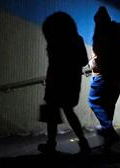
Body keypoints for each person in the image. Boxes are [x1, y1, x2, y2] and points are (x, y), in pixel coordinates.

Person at [38, 12, 91, 156]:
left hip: (56, 81)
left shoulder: (54, 40)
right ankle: (83, 143)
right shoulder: (76, 39)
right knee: (68, 112)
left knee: (52, 114)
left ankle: (51, 144)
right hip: (70, 82)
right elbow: (84, 61)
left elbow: (54, 64)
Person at [87, 6, 120, 150]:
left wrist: (92, 62)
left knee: (93, 101)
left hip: (105, 75)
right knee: (109, 104)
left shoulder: (102, 33)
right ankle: (108, 141)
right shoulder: (118, 29)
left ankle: (109, 131)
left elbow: (101, 57)